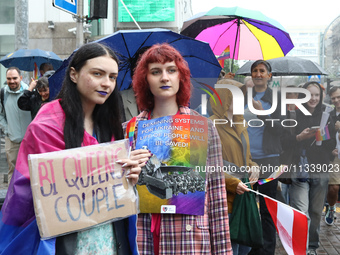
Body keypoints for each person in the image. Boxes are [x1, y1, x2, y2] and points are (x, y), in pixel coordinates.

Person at [0, 42, 150, 254]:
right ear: (73, 74)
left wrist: (128, 175)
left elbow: (113, 188)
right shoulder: (46, 125)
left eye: (112, 77)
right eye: (97, 74)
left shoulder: (111, 125)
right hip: (65, 240)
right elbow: (30, 190)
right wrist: (107, 170)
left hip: (109, 237)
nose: (106, 83)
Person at [124, 43, 232, 254]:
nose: (164, 77)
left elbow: (218, 197)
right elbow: (116, 195)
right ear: (145, 80)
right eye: (155, 72)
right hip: (143, 237)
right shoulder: (130, 130)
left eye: (171, 70)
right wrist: (127, 176)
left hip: (188, 239)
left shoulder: (203, 127)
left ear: (181, 76)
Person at [209, 78, 260, 255]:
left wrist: (254, 167)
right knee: (231, 249)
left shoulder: (241, 123)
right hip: (226, 201)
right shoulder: (210, 125)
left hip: (245, 198)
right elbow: (206, 166)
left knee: (245, 249)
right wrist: (231, 183)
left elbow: (248, 157)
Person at [289, 81, 336, 255]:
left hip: (320, 167)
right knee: (301, 211)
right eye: (310, 95)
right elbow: (286, 142)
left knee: (316, 211)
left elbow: (331, 143)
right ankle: (300, 246)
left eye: (317, 95)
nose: (314, 98)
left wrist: (321, 136)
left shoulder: (326, 114)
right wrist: (300, 137)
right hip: (298, 167)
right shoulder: (294, 114)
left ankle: (312, 246)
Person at [244, 60, 283, 255]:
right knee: (248, 207)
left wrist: (262, 114)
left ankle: (267, 251)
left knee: (267, 208)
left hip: (269, 159)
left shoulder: (277, 98)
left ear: (269, 75)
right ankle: (251, 248)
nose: (258, 74)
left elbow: (283, 129)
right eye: (254, 71)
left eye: (262, 71)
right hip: (247, 161)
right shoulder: (243, 96)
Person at [0, 67, 31, 183]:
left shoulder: (29, 91)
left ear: (21, 78)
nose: (12, 81)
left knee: (30, 171)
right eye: (9, 78)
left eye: (15, 78)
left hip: (29, 141)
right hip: (12, 141)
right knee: (12, 171)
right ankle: (12, 199)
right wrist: (7, 130)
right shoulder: (3, 93)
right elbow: (0, 115)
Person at [324, 85, 340, 225]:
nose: (336, 100)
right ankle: (331, 207)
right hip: (335, 156)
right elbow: (325, 136)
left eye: (338, 97)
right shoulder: (329, 114)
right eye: (334, 98)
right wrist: (330, 150)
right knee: (333, 187)